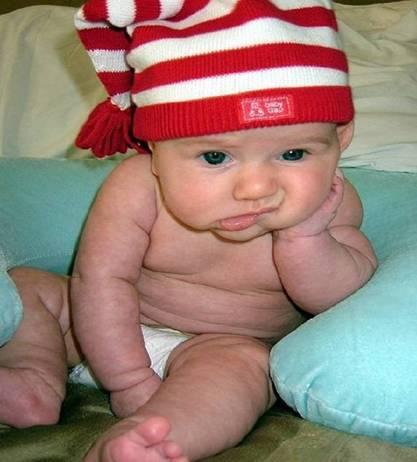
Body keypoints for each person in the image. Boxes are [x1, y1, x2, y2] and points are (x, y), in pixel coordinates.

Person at [0, 1, 378, 461]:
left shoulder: (330, 202)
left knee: (246, 367)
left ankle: (153, 437)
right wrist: (128, 380)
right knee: (29, 288)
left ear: (340, 139)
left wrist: (306, 239)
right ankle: (32, 378)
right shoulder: (137, 187)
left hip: (216, 347)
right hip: (97, 327)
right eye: (215, 157)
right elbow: (100, 280)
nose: (257, 188)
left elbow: (341, 300)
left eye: (294, 154)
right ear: (154, 148)